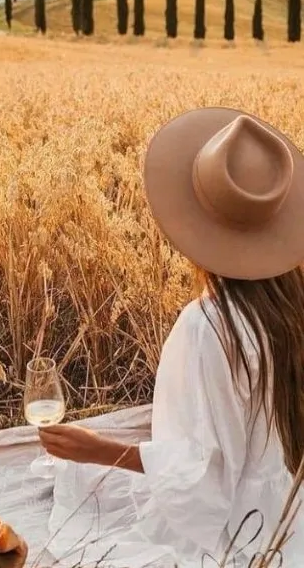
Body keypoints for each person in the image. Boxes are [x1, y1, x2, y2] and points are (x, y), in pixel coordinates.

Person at [39, 108, 304, 567]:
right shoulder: (291, 304)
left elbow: (201, 484)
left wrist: (99, 450)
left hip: (249, 531)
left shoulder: (208, 328)